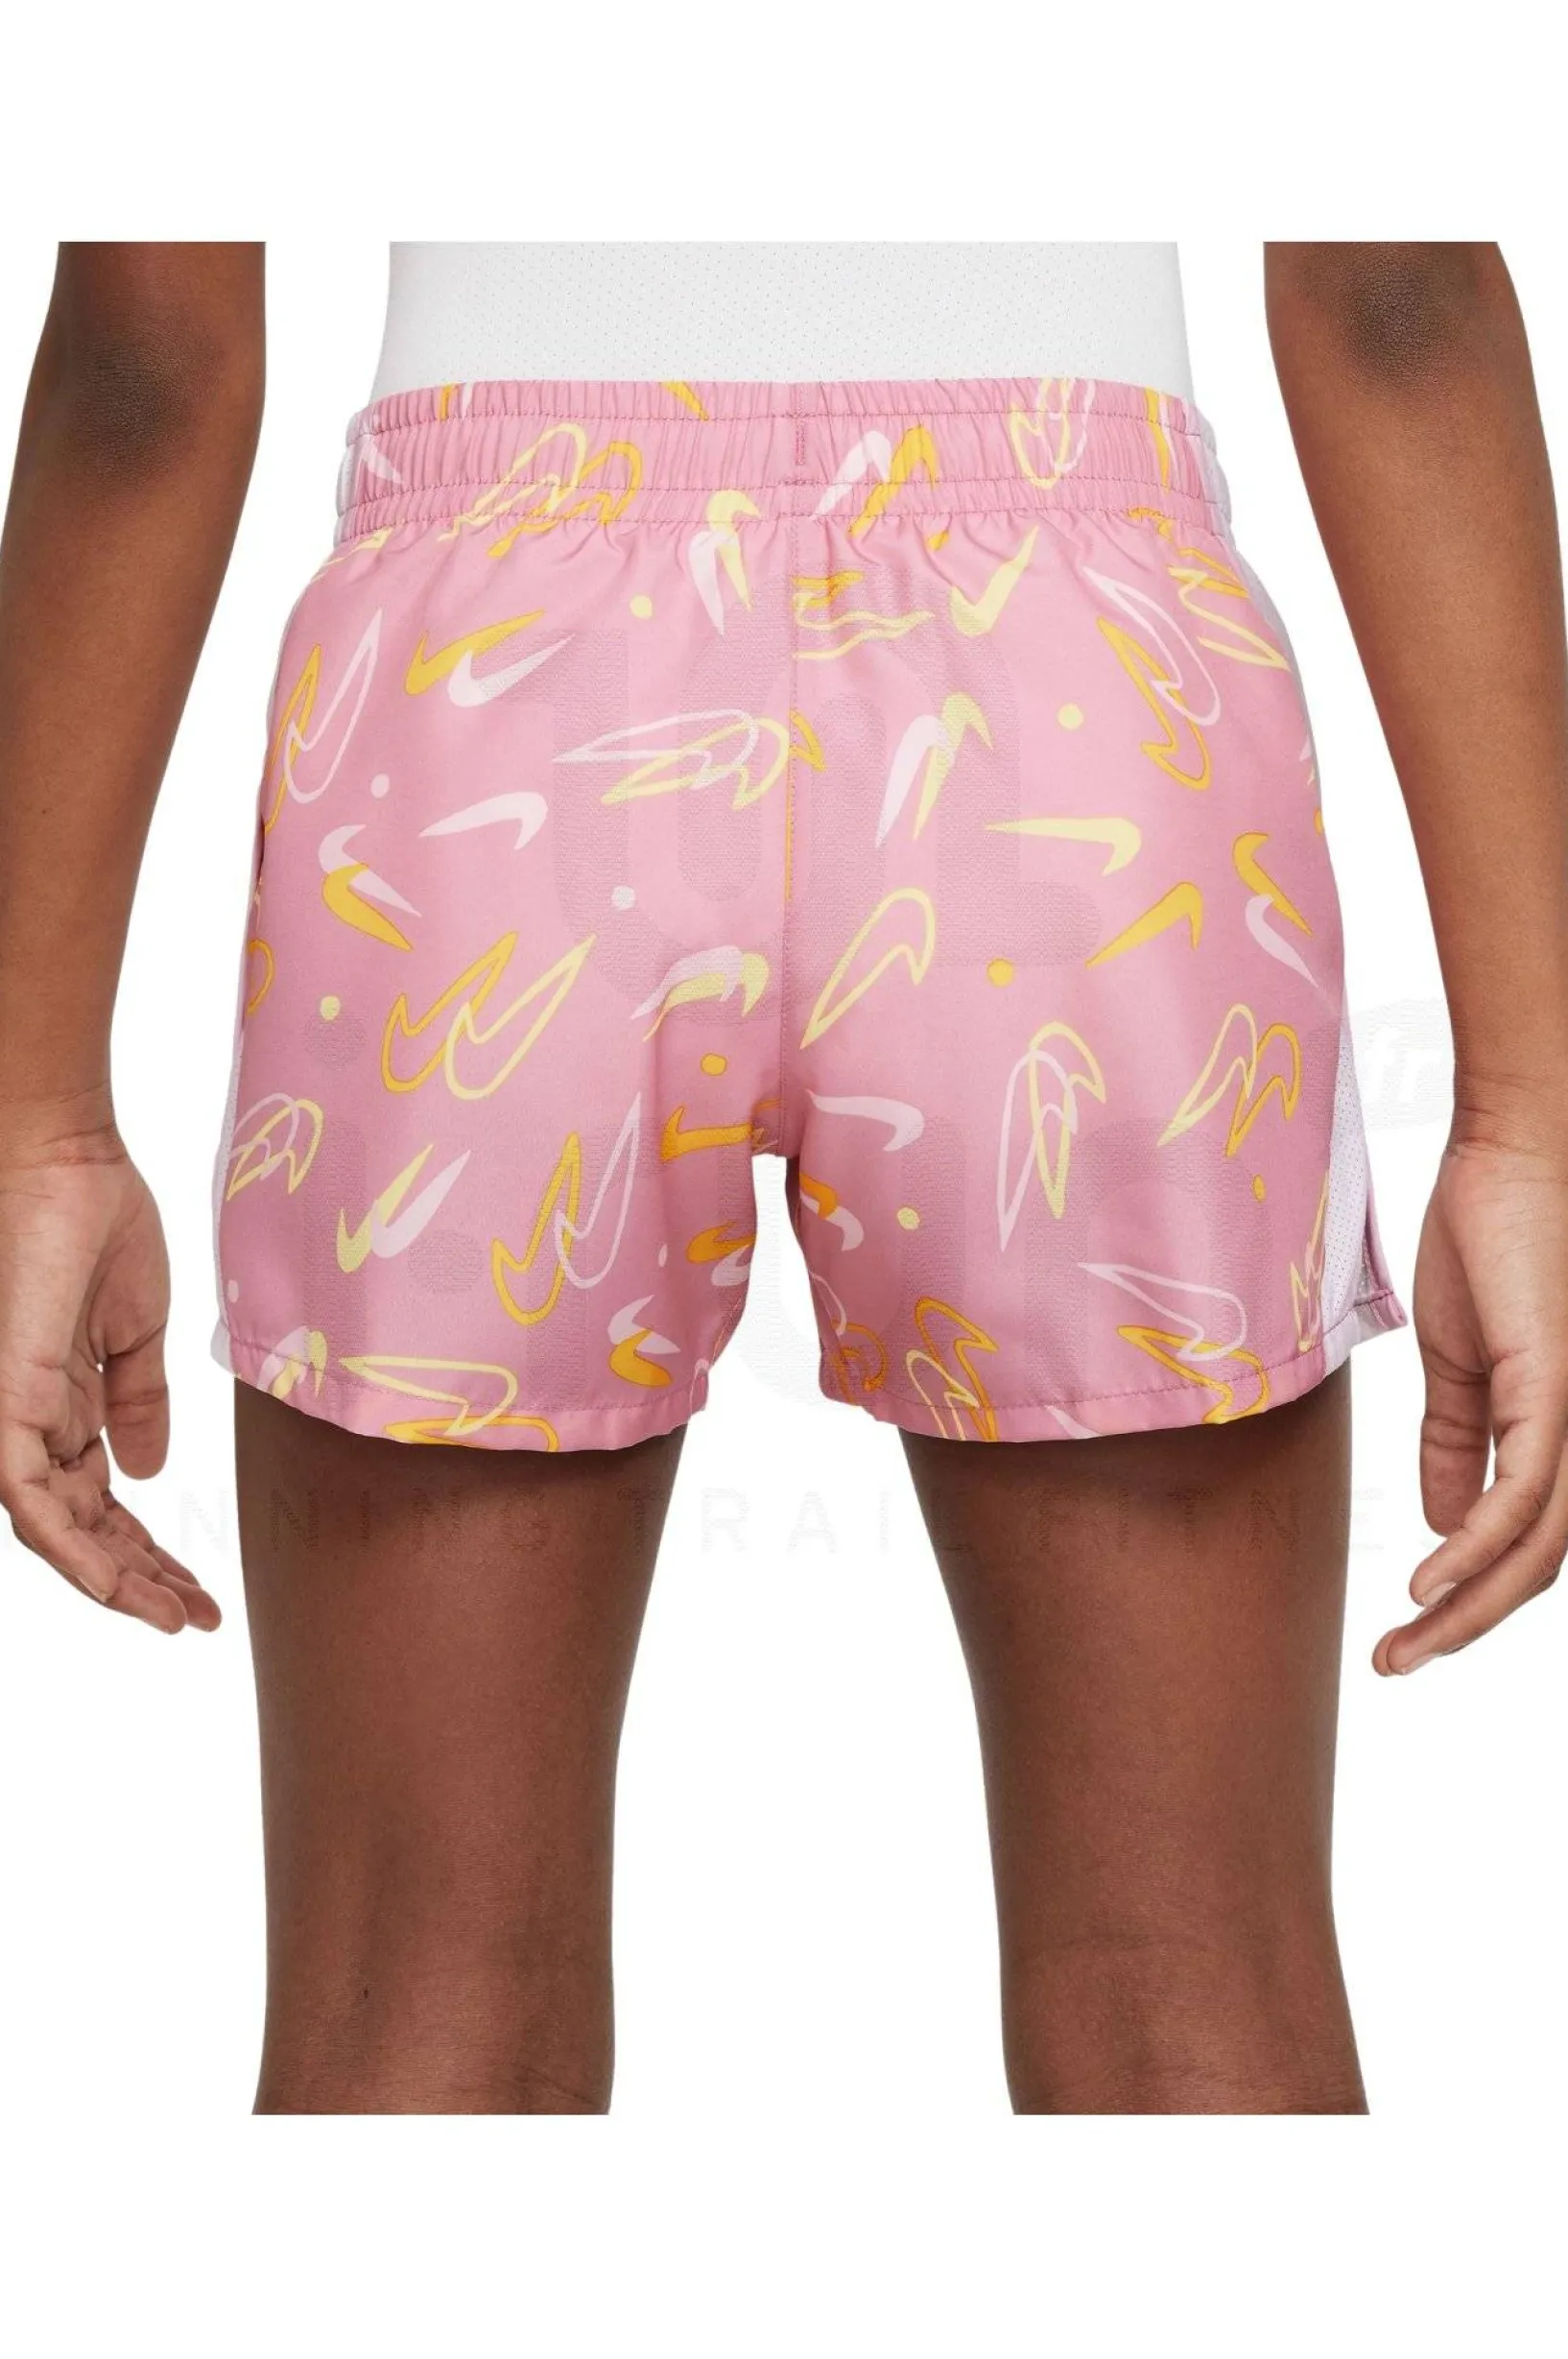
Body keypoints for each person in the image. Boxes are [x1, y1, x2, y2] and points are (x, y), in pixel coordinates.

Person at [0, 242, 1563, 2115]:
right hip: (1080, 698)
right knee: (1186, 1994)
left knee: (415, 2009)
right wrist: (1527, 1112)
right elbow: (1392, 300)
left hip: (490, 696)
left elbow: (150, 358)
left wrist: (38, 1121)